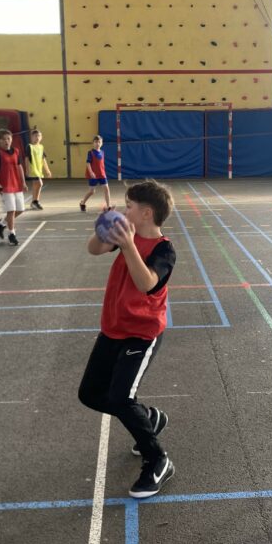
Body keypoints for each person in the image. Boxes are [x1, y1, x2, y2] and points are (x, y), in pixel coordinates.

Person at [78, 180, 177, 498]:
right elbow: (93, 250)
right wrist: (103, 230)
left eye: (129, 206)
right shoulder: (125, 237)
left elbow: (147, 283)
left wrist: (129, 244)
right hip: (113, 328)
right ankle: (148, 418)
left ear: (146, 214)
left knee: (121, 398)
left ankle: (158, 460)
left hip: (142, 332)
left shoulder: (164, 250)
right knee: (91, 394)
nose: (124, 211)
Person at [0, 128, 26, 246]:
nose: (7, 141)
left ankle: (1, 223)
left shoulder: (16, 151)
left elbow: (19, 167)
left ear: (11, 139)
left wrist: (23, 182)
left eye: (8, 138)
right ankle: (12, 234)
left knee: (20, 210)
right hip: (5, 186)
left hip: (17, 185)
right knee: (11, 211)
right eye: (4, 139)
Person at [79, 135, 111, 212]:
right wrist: (91, 172)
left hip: (102, 174)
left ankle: (108, 206)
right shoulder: (90, 153)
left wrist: (103, 172)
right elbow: (88, 163)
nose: (97, 143)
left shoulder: (102, 152)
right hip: (93, 175)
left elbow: (101, 164)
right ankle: (82, 203)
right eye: (96, 142)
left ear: (102, 143)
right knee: (92, 191)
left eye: (99, 142)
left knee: (106, 189)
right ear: (93, 143)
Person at [24, 129, 52, 210]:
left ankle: (34, 201)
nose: (37, 138)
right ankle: (35, 201)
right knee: (39, 183)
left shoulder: (41, 147)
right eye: (35, 136)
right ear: (31, 137)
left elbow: (43, 160)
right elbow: (26, 159)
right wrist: (27, 169)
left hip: (38, 170)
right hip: (33, 169)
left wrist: (47, 170)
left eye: (39, 136)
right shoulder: (29, 147)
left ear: (41, 137)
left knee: (37, 184)